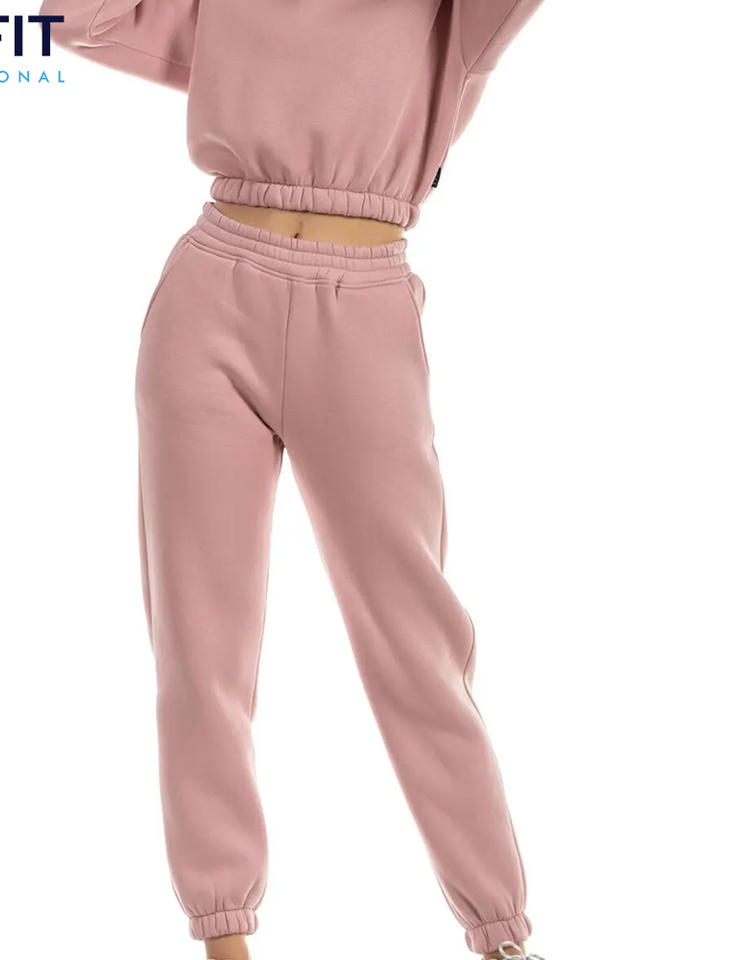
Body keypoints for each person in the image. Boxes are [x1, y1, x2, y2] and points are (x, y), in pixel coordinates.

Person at [38, 2, 549, 958]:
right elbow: (77, 17)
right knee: (200, 642)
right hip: (211, 291)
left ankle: (500, 934)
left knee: (414, 640)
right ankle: (222, 933)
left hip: (363, 311)